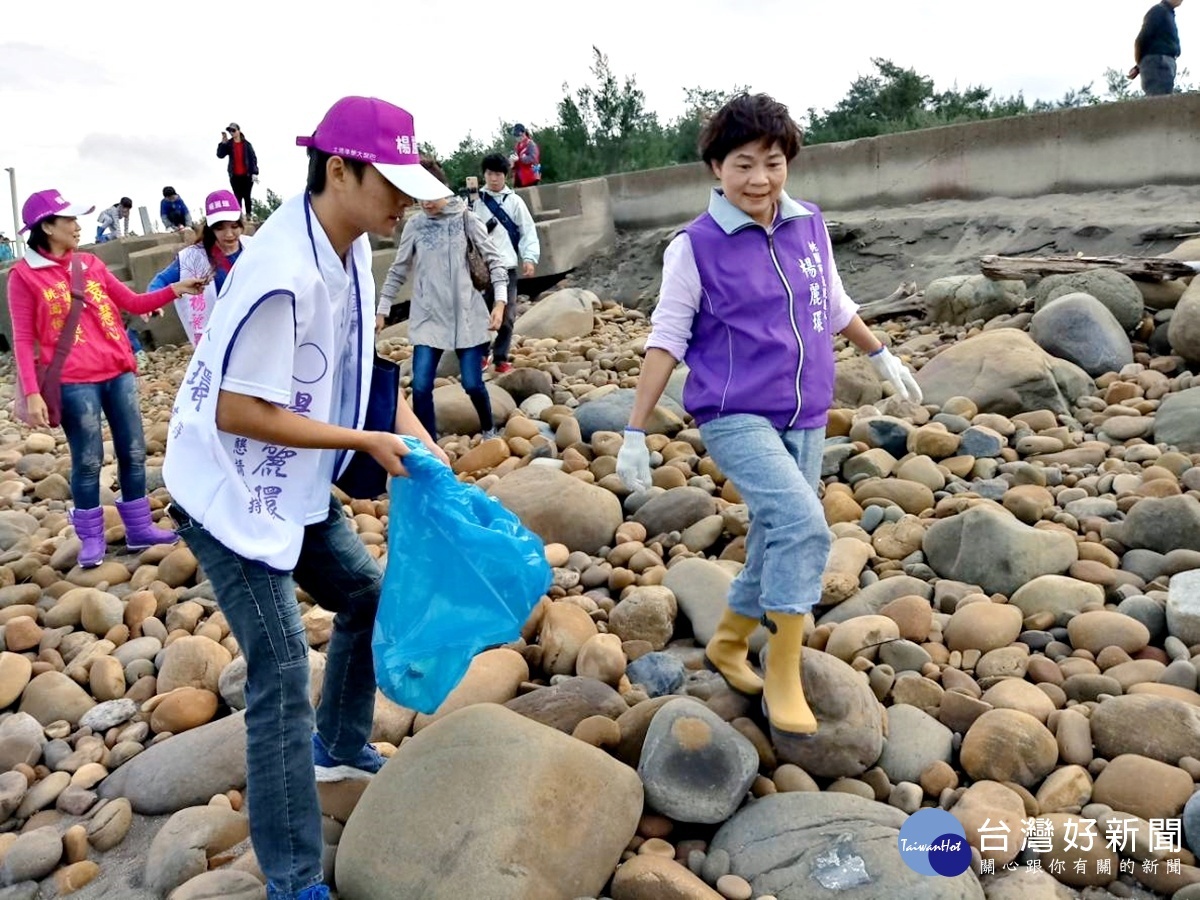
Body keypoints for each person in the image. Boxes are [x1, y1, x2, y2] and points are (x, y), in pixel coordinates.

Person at [163, 95, 452, 900]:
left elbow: (356, 367)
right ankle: (291, 877)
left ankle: (340, 746)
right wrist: (364, 445)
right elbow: (238, 409)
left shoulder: (351, 245)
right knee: (282, 670)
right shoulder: (280, 271)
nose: (403, 198)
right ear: (338, 171)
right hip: (227, 487)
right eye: (389, 182)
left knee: (364, 595)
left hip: (295, 476)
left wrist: (411, 433)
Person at [615, 93, 922, 737]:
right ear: (715, 169)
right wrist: (635, 430)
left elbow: (833, 302)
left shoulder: (808, 222)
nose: (760, 180)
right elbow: (667, 337)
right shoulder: (693, 247)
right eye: (744, 164)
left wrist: (882, 353)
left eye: (774, 163)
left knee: (775, 532)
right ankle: (784, 669)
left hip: (807, 407)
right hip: (734, 411)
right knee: (805, 525)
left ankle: (729, 641)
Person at [6, 189, 206, 567]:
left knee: (133, 451)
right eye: (69, 220)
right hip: (73, 381)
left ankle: (139, 528)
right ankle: (91, 540)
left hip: (118, 370)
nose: (77, 226)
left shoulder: (89, 265)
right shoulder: (24, 277)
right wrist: (32, 392)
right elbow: (21, 340)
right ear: (47, 226)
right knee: (87, 460)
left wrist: (174, 290)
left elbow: (131, 303)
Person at [376, 158, 508, 441]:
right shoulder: (415, 226)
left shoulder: (466, 219)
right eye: (418, 196)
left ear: (443, 188)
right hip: (428, 317)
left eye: (429, 195)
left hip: (469, 317)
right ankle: (429, 443)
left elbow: (495, 262)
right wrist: (382, 309)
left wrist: (499, 303)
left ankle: (488, 429)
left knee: (473, 384)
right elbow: (398, 269)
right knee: (421, 386)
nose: (424, 203)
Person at [149, 189, 253, 344]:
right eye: (220, 228)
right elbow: (162, 280)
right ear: (211, 228)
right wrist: (152, 302)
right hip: (220, 336)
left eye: (234, 226)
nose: (229, 234)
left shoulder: (254, 247)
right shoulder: (193, 257)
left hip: (253, 327)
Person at [468, 154, 540, 374]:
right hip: (481, 268)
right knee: (479, 313)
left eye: (498, 174)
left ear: (505, 176)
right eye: (489, 174)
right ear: (484, 175)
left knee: (507, 316)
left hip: (507, 267)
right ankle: (480, 354)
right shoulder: (474, 201)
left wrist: (529, 258)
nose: (493, 178)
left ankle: (500, 357)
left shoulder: (515, 201)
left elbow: (527, 230)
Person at [1130, 0, 1184, 95]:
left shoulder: (1169, 14)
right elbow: (1142, 39)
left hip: (1167, 61)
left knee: (1165, 99)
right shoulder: (1158, 11)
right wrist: (1139, 64)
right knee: (1158, 100)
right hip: (1158, 62)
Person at [217, 123, 259, 217]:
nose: (232, 133)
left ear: (239, 131)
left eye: (234, 130)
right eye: (230, 131)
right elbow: (220, 155)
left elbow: (253, 159)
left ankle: (248, 215)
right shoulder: (229, 144)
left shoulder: (247, 145)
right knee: (237, 196)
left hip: (247, 175)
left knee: (247, 196)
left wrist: (255, 173)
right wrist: (223, 143)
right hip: (234, 175)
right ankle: (239, 215)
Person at [509, 123, 542, 188]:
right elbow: (517, 163)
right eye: (515, 135)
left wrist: (520, 159)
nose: (516, 137)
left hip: (531, 178)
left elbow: (533, 159)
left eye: (517, 135)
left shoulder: (531, 144)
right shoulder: (517, 146)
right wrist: (513, 163)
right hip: (520, 179)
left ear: (523, 133)